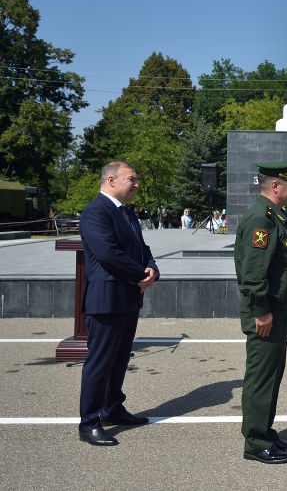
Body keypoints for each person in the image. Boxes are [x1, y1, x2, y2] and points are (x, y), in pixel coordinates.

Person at [77, 161, 159, 446]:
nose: (137, 184)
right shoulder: (95, 212)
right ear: (111, 180)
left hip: (128, 298)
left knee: (120, 360)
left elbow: (142, 248)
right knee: (99, 363)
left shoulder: (126, 213)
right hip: (107, 300)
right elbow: (108, 254)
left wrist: (152, 270)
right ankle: (89, 423)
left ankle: (112, 408)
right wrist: (141, 276)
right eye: (132, 179)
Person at [234, 160, 287, 464]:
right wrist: (261, 311)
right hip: (266, 313)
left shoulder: (275, 216)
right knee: (261, 376)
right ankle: (255, 442)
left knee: (272, 374)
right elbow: (252, 273)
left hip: (277, 310)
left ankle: (264, 430)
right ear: (275, 185)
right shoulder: (260, 219)